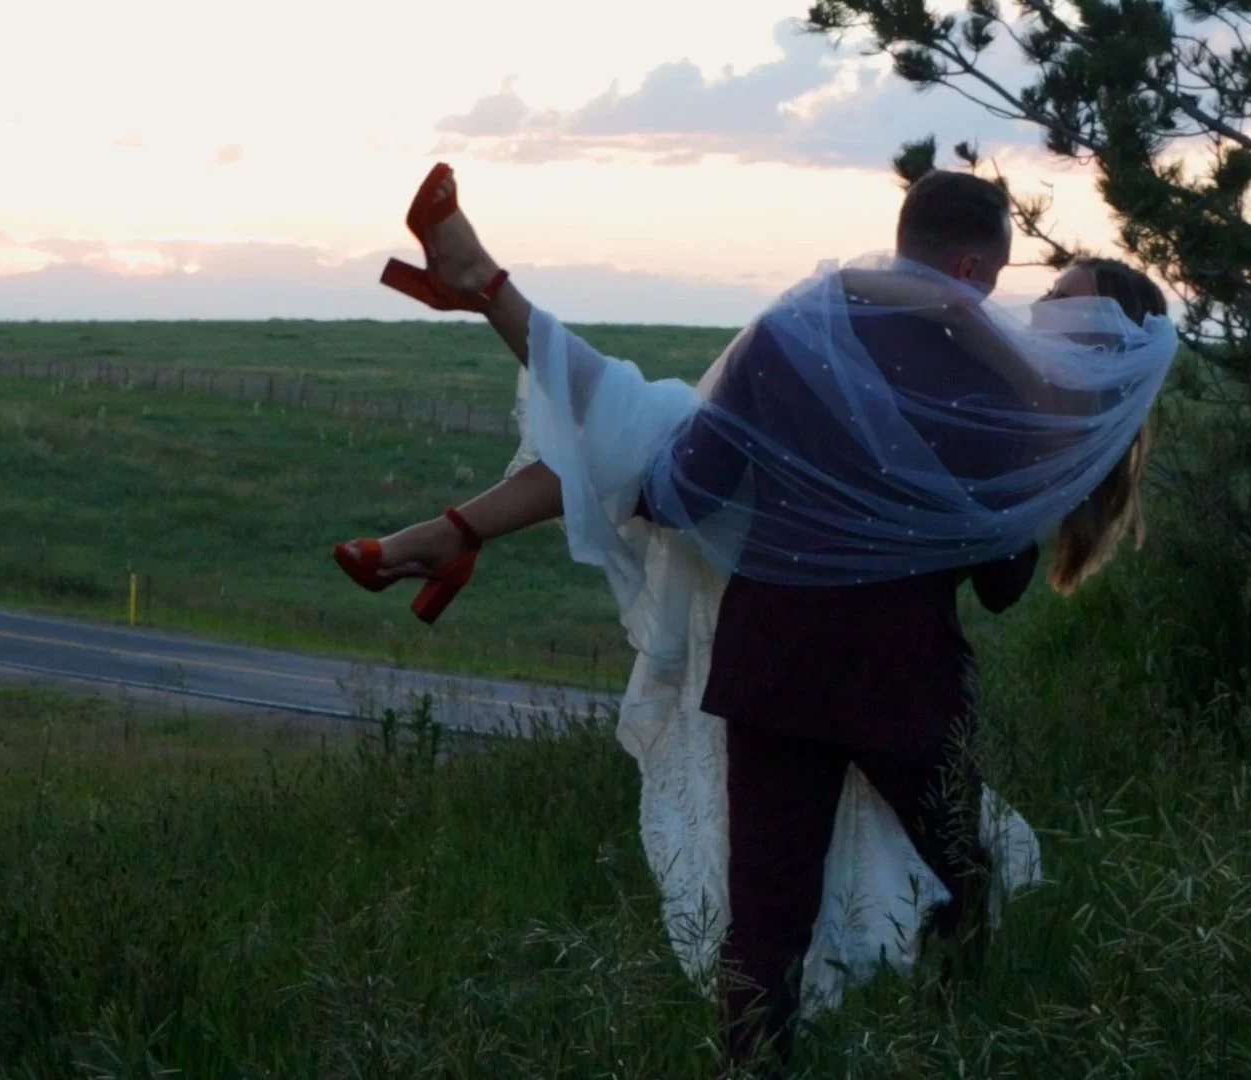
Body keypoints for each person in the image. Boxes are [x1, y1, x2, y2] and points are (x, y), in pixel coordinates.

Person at [335, 164, 1176, 1068]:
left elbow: (686, 489)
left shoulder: (792, 332)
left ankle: (756, 1066)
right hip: (906, 679)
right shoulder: (1003, 394)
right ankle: (956, 1030)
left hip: (774, 668)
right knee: (965, 867)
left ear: (907, 239)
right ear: (974, 266)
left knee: (766, 920)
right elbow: (1004, 580)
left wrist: (684, 472)